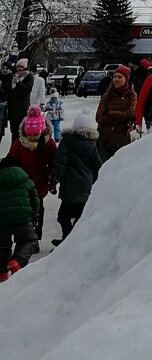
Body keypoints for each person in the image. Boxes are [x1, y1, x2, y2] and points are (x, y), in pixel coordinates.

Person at [51, 110, 102, 244]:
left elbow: (60, 161)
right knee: (80, 215)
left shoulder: (67, 141)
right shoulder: (91, 143)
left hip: (69, 185)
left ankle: (68, 240)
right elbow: (97, 165)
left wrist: (55, 177)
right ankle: (73, 240)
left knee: (63, 216)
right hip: (85, 186)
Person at [9, 105, 57, 246]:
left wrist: (51, 178)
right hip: (22, 184)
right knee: (24, 211)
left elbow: (55, 162)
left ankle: (35, 238)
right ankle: (25, 238)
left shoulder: (48, 144)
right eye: (29, 134)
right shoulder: (19, 144)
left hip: (39, 183)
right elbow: (11, 161)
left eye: (35, 135)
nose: (32, 137)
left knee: (38, 209)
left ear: (42, 132)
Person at [0, 155, 40, 279]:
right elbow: (35, 200)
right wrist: (34, 215)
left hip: (2, 220)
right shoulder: (26, 181)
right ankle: (17, 261)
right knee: (29, 241)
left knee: (2, 246)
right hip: (23, 218)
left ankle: (2, 272)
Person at [95, 66, 137, 160]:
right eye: (115, 77)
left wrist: (110, 114)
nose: (116, 79)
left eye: (119, 77)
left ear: (125, 79)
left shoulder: (131, 94)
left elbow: (130, 113)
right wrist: (118, 120)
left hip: (121, 139)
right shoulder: (107, 95)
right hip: (104, 138)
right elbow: (98, 117)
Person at [6, 58, 35, 142]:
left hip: (22, 107)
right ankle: (13, 150)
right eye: (17, 66)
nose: (19, 68)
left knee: (22, 130)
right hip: (13, 107)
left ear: (25, 67)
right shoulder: (14, 75)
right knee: (14, 131)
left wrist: (18, 83)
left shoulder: (29, 76)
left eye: (21, 66)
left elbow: (27, 89)